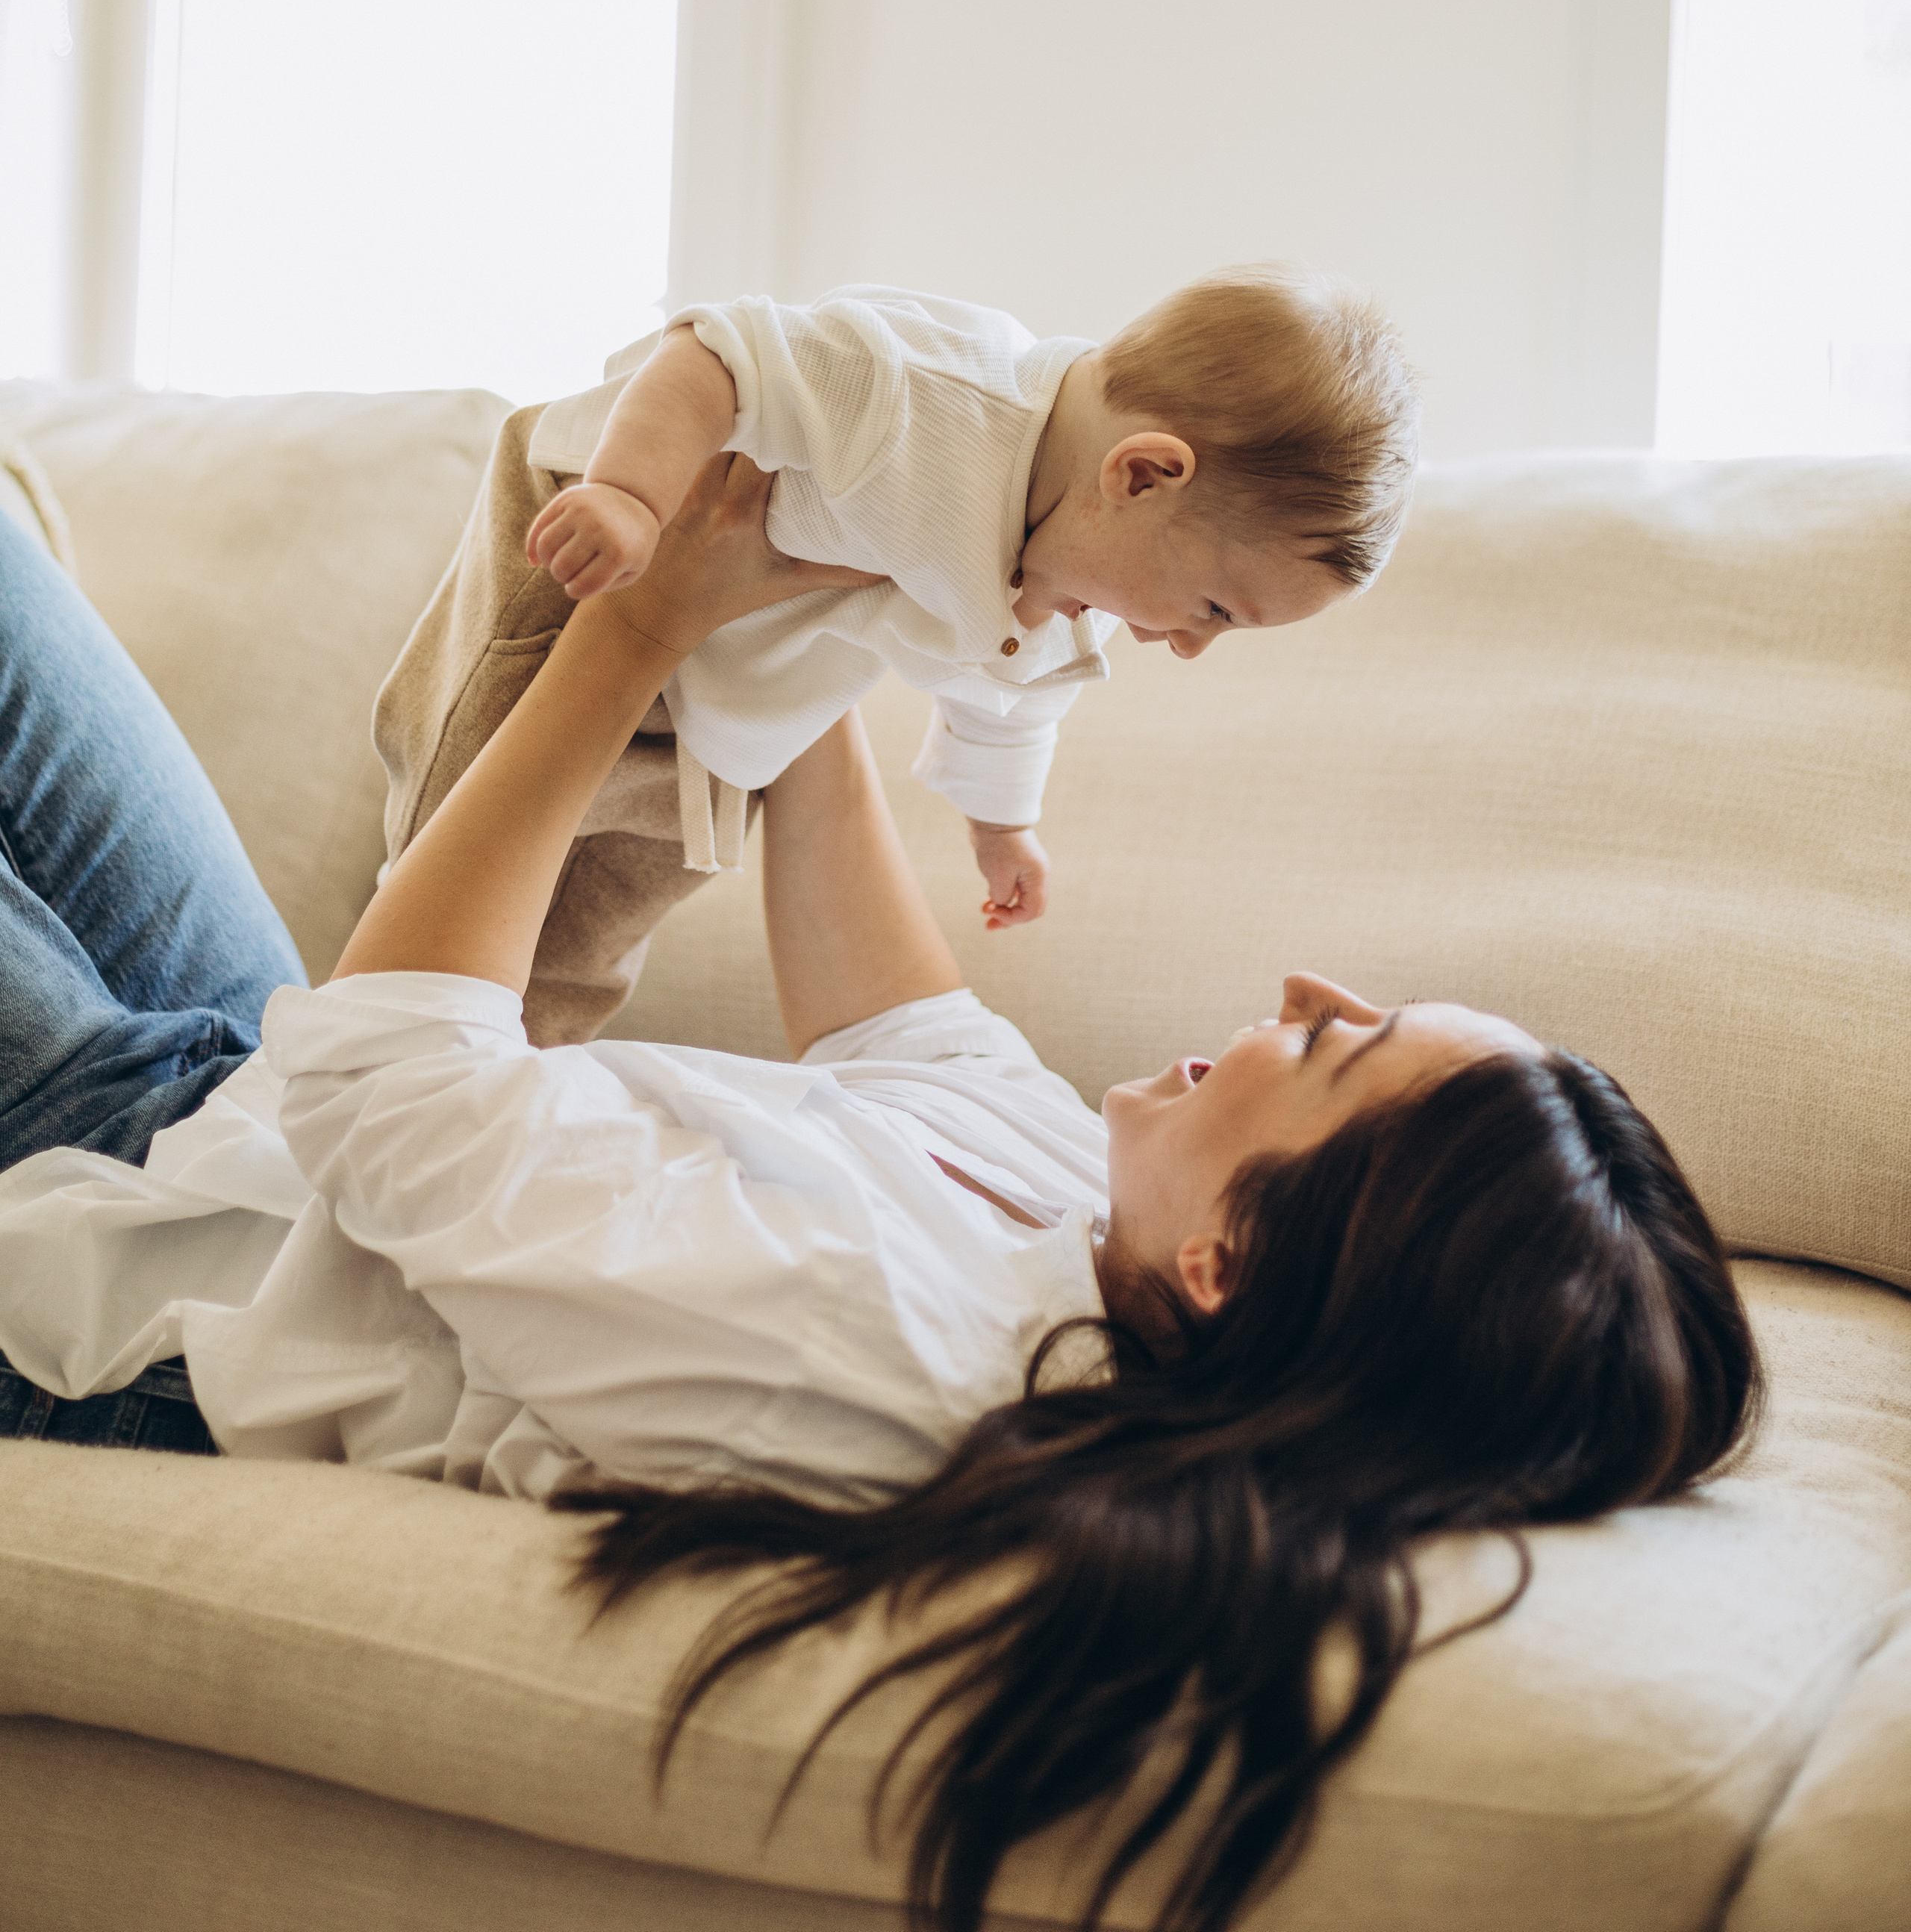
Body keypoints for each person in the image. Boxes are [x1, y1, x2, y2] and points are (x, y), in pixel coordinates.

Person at [0, 475, 1759, 1932]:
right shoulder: (1098, 1244)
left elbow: (390, 1080)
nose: (1296, 988)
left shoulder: (865, 1354)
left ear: (1234, 1264)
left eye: (1328, 1048)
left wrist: (637, 640)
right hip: (239, 1106)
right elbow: (905, 1042)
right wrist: (815, 596)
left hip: (122, 1253)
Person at [374, 267, 1418, 1043]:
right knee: (459, 838)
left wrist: (1002, 825)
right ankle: (386, 1034)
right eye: (1214, 609)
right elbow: (712, 354)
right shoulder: (924, 390)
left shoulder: (1075, 571)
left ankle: (525, 1077)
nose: (1189, 646)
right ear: (1142, 476)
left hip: (725, 705)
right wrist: (632, 496)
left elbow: (1015, 697)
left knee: (594, 930)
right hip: (589, 558)